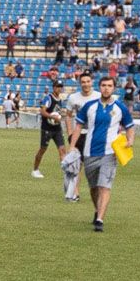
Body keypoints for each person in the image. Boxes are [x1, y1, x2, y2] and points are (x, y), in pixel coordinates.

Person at [75, 75, 136, 232]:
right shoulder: (89, 106)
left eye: (109, 85)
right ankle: (97, 210)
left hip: (110, 153)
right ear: (99, 87)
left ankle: (100, 219)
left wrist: (130, 140)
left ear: (114, 88)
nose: (106, 88)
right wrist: (72, 147)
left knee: (104, 186)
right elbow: (78, 127)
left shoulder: (120, 107)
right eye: (103, 85)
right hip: (89, 152)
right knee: (93, 187)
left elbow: (130, 126)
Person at [61, 70, 94, 204]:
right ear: (80, 83)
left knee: (92, 166)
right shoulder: (73, 98)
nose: (85, 84)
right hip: (79, 134)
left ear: (92, 82)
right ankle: (75, 192)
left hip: (94, 135)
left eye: (88, 81)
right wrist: (70, 134)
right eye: (83, 82)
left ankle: (94, 192)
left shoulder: (98, 96)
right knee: (76, 165)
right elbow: (68, 116)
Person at [32, 77, 70, 179]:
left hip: (57, 129)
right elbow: (42, 111)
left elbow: (58, 112)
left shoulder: (60, 100)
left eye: (61, 87)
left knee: (62, 149)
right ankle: (35, 170)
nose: (59, 89)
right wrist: (51, 116)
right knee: (42, 149)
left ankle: (66, 172)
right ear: (53, 87)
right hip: (47, 129)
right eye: (57, 86)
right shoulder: (48, 98)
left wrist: (60, 116)